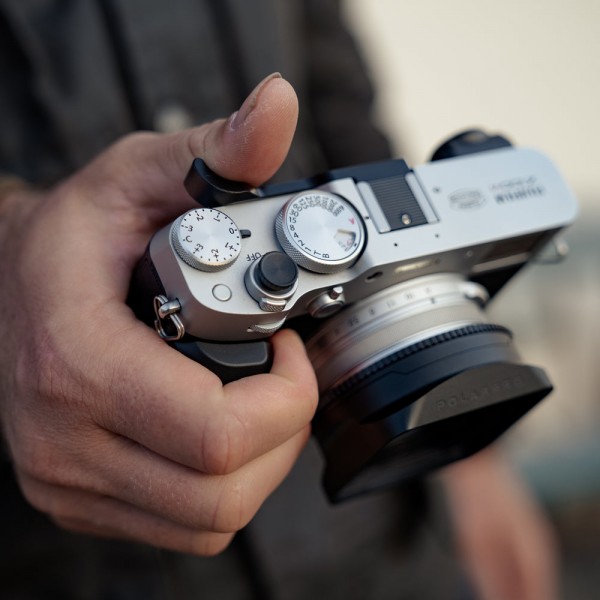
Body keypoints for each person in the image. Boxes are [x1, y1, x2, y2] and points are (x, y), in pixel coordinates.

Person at [0, 1, 558, 598]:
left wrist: (470, 462)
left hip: (390, 532)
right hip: (78, 561)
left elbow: (343, 110)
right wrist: (11, 243)